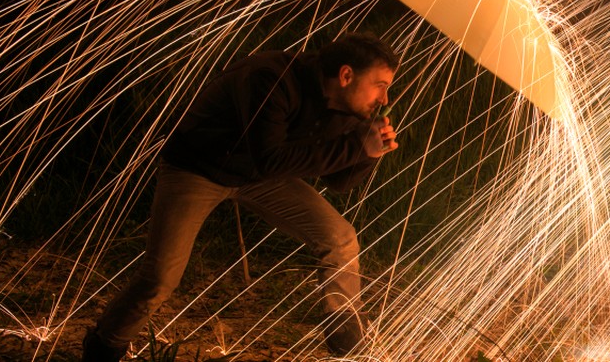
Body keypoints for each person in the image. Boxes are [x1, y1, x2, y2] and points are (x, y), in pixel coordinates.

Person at [82, 32, 402, 362]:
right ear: (346, 75)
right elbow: (268, 158)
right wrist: (354, 147)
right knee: (161, 278)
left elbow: (337, 180)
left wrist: (368, 153)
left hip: (259, 178)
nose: (385, 98)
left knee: (340, 239)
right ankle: (104, 345)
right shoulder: (271, 78)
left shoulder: (347, 108)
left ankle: (346, 344)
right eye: (379, 85)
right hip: (199, 167)